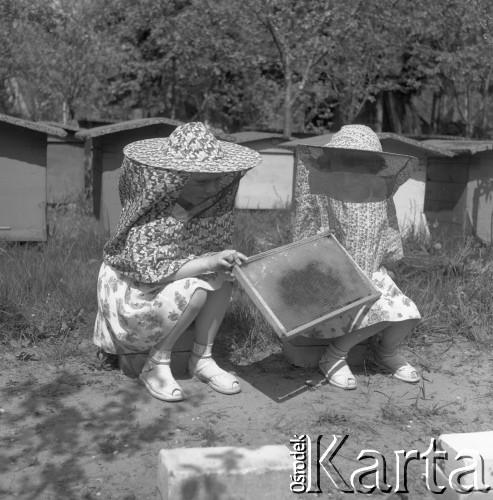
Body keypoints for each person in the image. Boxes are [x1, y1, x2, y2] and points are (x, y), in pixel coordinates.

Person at [93, 122, 262, 402]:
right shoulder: (150, 215)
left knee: (224, 279)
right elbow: (153, 273)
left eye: (217, 179)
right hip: (133, 292)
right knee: (196, 289)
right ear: (175, 178)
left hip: (171, 281)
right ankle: (155, 364)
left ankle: (202, 358)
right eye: (202, 181)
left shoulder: (209, 206)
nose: (213, 188)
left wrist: (219, 260)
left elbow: (204, 255)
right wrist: (209, 263)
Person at [294, 124, 421, 390]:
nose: (358, 169)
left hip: (373, 273)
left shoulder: (379, 194)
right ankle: (334, 356)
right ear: (334, 163)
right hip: (336, 273)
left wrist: (388, 261)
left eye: (365, 163)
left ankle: (384, 352)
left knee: (409, 315)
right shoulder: (324, 193)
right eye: (351, 162)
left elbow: (388, 228)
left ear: (375, 166)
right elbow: (309, 231)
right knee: (382, 312)